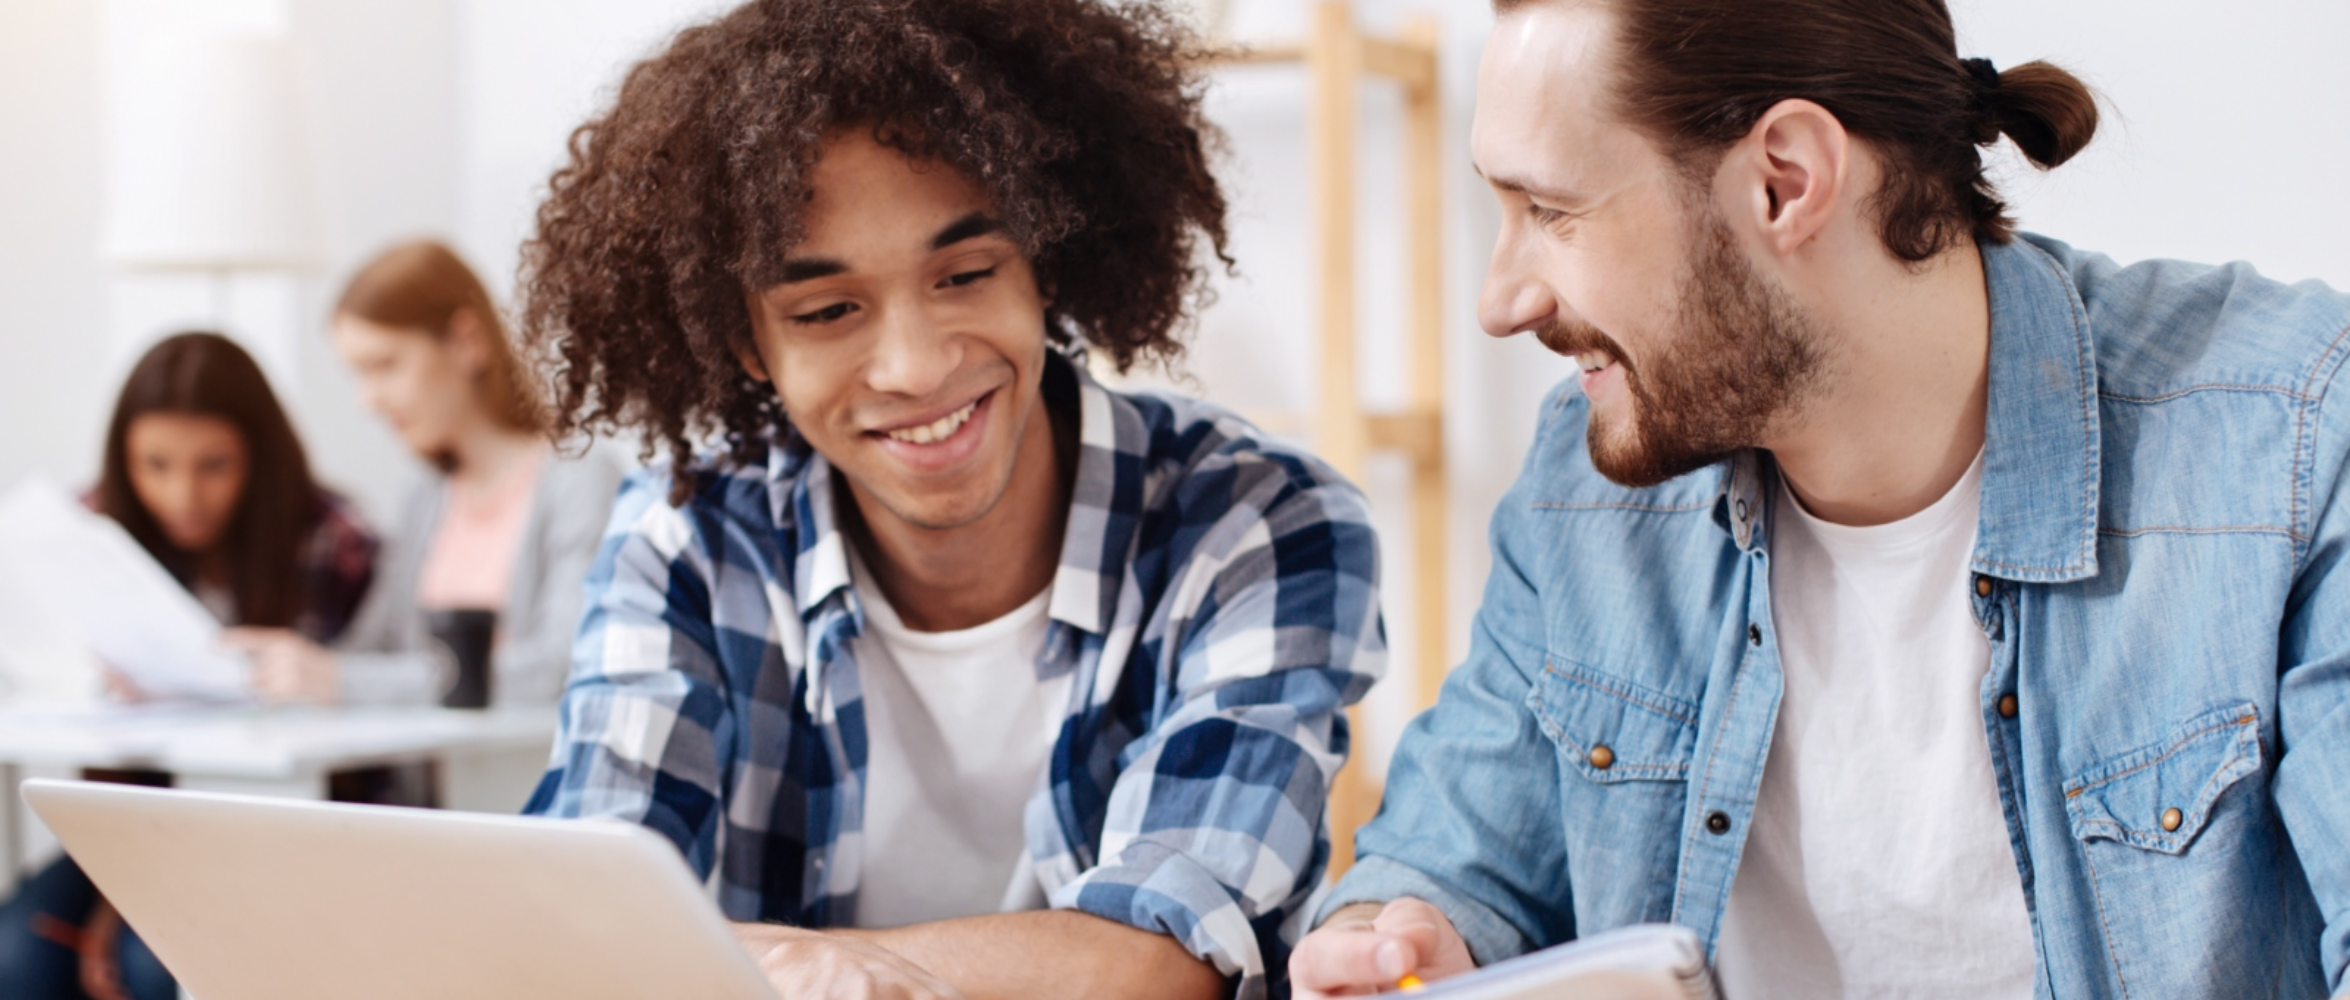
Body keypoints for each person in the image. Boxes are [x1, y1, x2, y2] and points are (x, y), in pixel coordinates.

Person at [1288, 1, 2350, 998]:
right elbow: (1454, 856)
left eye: (1549, 210)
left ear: (1784, 181)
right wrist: (1401, 929)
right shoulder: (1589, 480)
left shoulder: (2293, 441)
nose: (1500, 299)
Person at [515, 1, 1386, 998]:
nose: (915, 364)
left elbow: (1158, 967)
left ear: (1041, 265)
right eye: (828, 309)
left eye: (966, 273)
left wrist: (785, 964)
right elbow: (576, 925)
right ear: (750, 344)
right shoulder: (689, 538)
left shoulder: (1256, 524)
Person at [0, 331, 378, 1000]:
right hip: (131, 825)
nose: (183, 496)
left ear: (258, 457)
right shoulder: (92, 533)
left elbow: (368, 710)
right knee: (17, 955)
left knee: (154, 966)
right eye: (156, 465)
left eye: (213, 465)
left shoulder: (333, 542)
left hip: (275, 831)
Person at [226, 239, 623, 710]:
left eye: (384, 365)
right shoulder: (425, 496)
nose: (368, 400)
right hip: (425, 781)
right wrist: (261, 670)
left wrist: (342, 681)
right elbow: (369, 652)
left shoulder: (578, 481)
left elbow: (559, 668)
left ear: (466, 342)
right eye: (359, 374)